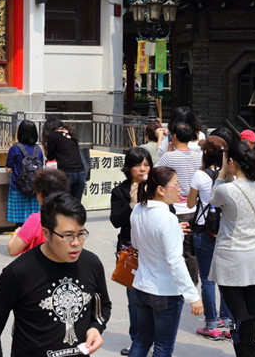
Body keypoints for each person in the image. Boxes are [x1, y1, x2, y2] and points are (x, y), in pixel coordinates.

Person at [0, 193, 111, 357]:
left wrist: (95, 328)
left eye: (81, 233)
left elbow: (103, 306)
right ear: (46, 233)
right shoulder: (19, 272)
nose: (76, 243)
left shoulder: (91, 264)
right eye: (68, 235)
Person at [128, 166, 203, 357]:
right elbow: (175, 261)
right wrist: (193, 296)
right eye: (176, 185)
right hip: (165, 292)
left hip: (142, 286)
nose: (179, 189)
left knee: (142, 340)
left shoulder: (138, 210)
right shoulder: (167, 218)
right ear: (161, 189)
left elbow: (136, 244)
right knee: (163, 347)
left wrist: (174, 230)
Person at [209, 142, 255, 357]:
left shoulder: (226, 189)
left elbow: (212, 200)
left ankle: (244, 352)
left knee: (239, 314)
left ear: (232, 162)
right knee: (251, 313)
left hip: (230, 255)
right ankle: (248, 351)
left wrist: (222, 173)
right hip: (254, 254)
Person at [187, 136, 232, 340]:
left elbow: (189, 204)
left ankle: (211, 323)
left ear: (205, 153)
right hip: (224, 231)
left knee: (207, 279)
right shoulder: (231, 176)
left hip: (203, 230)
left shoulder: (200, 176)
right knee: (224, 278)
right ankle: (226, 318)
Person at [109, 146, 153, 356]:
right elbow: (116, 221)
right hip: (130, 252)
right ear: (129, 167)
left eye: (146, 164)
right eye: (138, 165)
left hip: (153, 249)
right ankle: (137, 341)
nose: (143, 169)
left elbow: (169, 211)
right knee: (134, 299)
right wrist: (132, 204)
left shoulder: (156, 187)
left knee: (154, 296)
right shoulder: (120, 191)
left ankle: (151, 339)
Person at [157, 120, 203, 283]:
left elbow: (155, 174)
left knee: (173, 248)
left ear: (174, 136)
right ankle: (192, 282)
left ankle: (175, 282)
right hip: (195, 208)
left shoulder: (169, 157)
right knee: (190, 251)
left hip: (177, 209)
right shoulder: (199, 156)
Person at [6, 167, 69, 257]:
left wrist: (17, 233)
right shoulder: (69, 218)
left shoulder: (36, 219)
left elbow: (12, 249)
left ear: (40, 194)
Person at [5, 119, 44, 227]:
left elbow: (8, 169)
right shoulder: (38, 150)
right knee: (34, 220)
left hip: (18, 188)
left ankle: (21, 242)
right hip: (35, 189)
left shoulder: (14, 149)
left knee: (20, 223)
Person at [42, 118, 86, 201]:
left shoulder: (53, 135)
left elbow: (50, 157)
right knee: (75, 205)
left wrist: (46, 149)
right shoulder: (70, 134)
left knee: (65, 204)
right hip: (81, 171)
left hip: (67, 172)